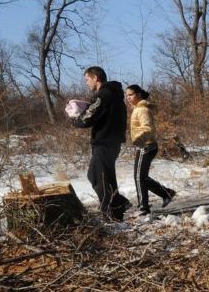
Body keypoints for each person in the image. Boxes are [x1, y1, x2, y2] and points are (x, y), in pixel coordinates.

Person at [72, 66, 131, 221]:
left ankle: (111, 213)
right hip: (112, 142)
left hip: (104, 142)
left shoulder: (103, 96)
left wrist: (74, 117)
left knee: (99, 178)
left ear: (95, 78)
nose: (86, 83)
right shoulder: (115, 95)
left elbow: (87, 119)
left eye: (87, 79)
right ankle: (117, 207)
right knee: (101, 177)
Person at [124, 84, 176, 216]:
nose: (128, 97)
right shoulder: (138, 108)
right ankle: (166, 194)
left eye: (130, 95)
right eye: (126, 95)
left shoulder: (142, 110)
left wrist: (139, 141)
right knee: (141, 177)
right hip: (146, 146)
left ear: (139, 94)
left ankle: (143, 208)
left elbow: (147, 128)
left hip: (146, 146)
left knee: (139, 177)